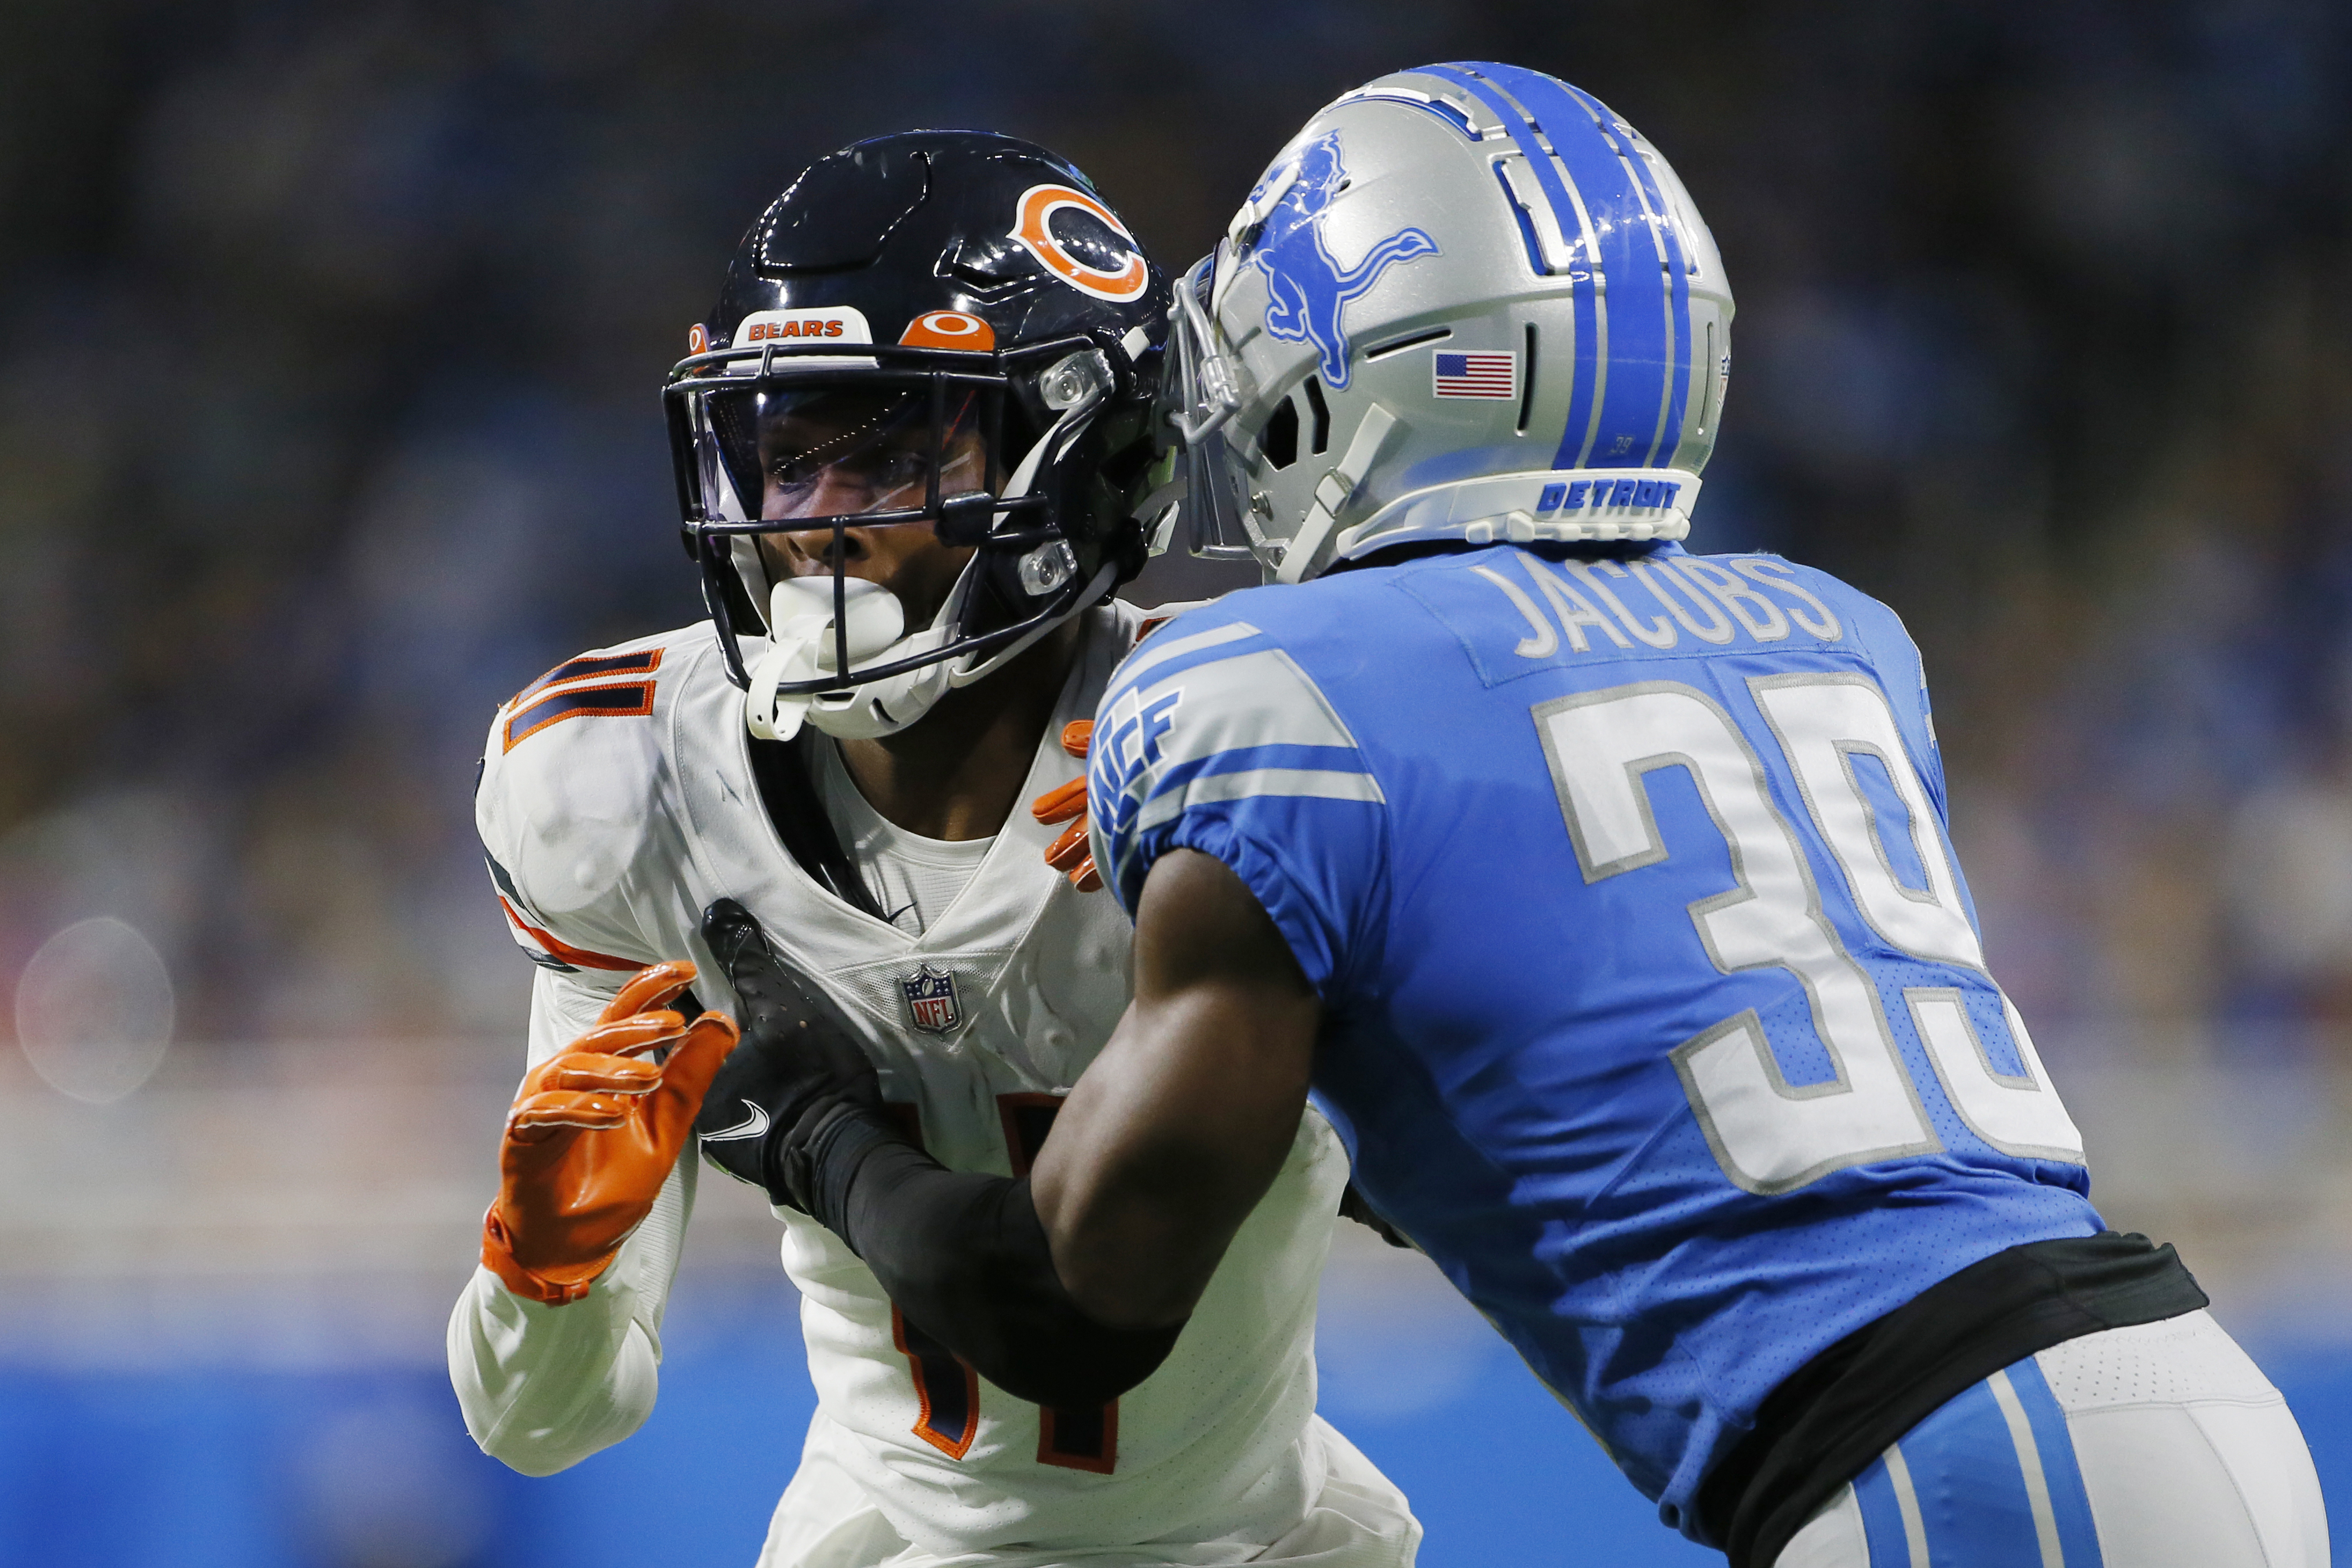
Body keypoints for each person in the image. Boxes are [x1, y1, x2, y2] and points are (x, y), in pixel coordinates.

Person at [698, 67, 2332, 1568]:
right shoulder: (1830, 630)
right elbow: (1569, 1102)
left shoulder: (1264, 687)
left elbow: (1077, 1301)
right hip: (2163, 1391)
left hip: (1933, 1465)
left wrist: (818, 1128)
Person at [446, 130, 1418, 1568]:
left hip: (1255, 1537)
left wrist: (1287, 922)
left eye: (890, 451)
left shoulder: (1246, 739)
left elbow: (1492, 1200)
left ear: (1085, 454)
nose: (814, 526)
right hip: (886, 1537)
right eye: (783, 460)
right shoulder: (624, 779)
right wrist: (539, 1273)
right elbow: (543, 1426)